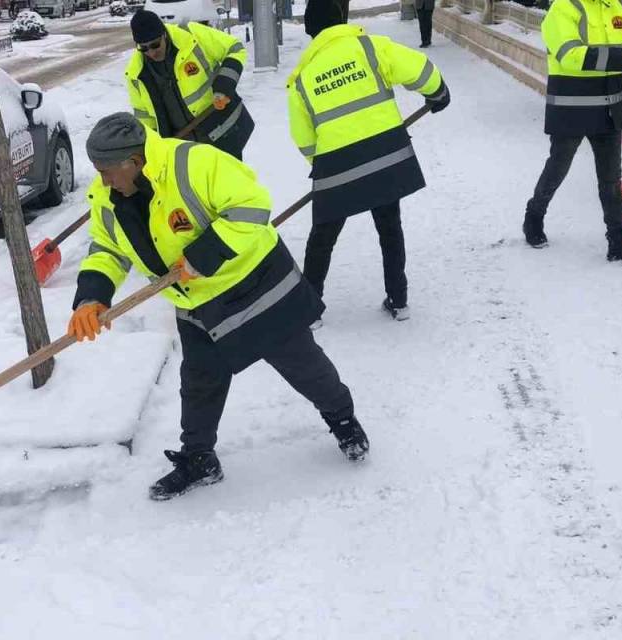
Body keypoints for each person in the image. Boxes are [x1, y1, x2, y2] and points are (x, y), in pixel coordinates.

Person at [69, 113, 370, 501]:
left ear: (135, 161)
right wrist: (91, 297)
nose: (102, 180)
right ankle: (199, 459)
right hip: (196, 303)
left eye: (107, 171)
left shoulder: (194, 163)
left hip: (255, 287)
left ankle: (343, 420)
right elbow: (107, 248)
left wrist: (202, 255)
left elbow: (251, 207)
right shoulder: (108, 196)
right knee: (199, 382)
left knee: (302, 364)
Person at [287, 0, 449, 323]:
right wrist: (438, 91)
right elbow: (419, 68)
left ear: (311, 32)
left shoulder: (302, 78)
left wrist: (323, 167)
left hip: (336, 167)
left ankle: (309, 309)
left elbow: (303, 138)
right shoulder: (371, 47)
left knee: (322, 237)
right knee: (390, 228)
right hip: (385, 158)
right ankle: (398, 300)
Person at [521, 0, 622, 263]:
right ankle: (535, 214)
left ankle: (618, 239)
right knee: (558, 167)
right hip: (572, 106)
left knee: (611, 179)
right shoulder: (563, 8)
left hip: (609, 107)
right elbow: (571, 56)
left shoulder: (616, 7)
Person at [125, 10, 254, 160]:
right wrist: (150, 150)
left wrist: (224, 84)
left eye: (155, 45)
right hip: (184, 150)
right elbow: (145, 118)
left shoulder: (192, 36)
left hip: (222, 132)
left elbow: (234, 48)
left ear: (164, 34)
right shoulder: (136, 73)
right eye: (143, 48)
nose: (151, 52)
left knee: (231, 181)